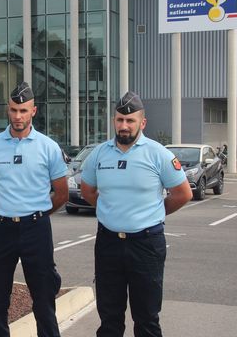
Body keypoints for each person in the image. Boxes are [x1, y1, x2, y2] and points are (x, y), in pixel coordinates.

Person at [80, 91, 193, 337]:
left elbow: (183, 193)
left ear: (142, 123)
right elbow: (87, 189)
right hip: (108, 243)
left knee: (147, 319)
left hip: (146, 245)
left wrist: (152, 214)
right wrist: (110, 209)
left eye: (130, 121)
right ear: (113, 121)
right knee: (109, 318)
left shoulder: (158, 154)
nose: (124, 125)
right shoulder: (100, 154)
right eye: (119, 119)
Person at [0, 82, 69, 337]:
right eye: (14, 110)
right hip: (2, 229)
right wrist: (1, 208)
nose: (18, 116)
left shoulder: (48, 147)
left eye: (24, 111)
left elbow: (61, 192)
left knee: (44, 298)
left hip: (36, 230)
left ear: (34, 111)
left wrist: (38, 214)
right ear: (8, 110)